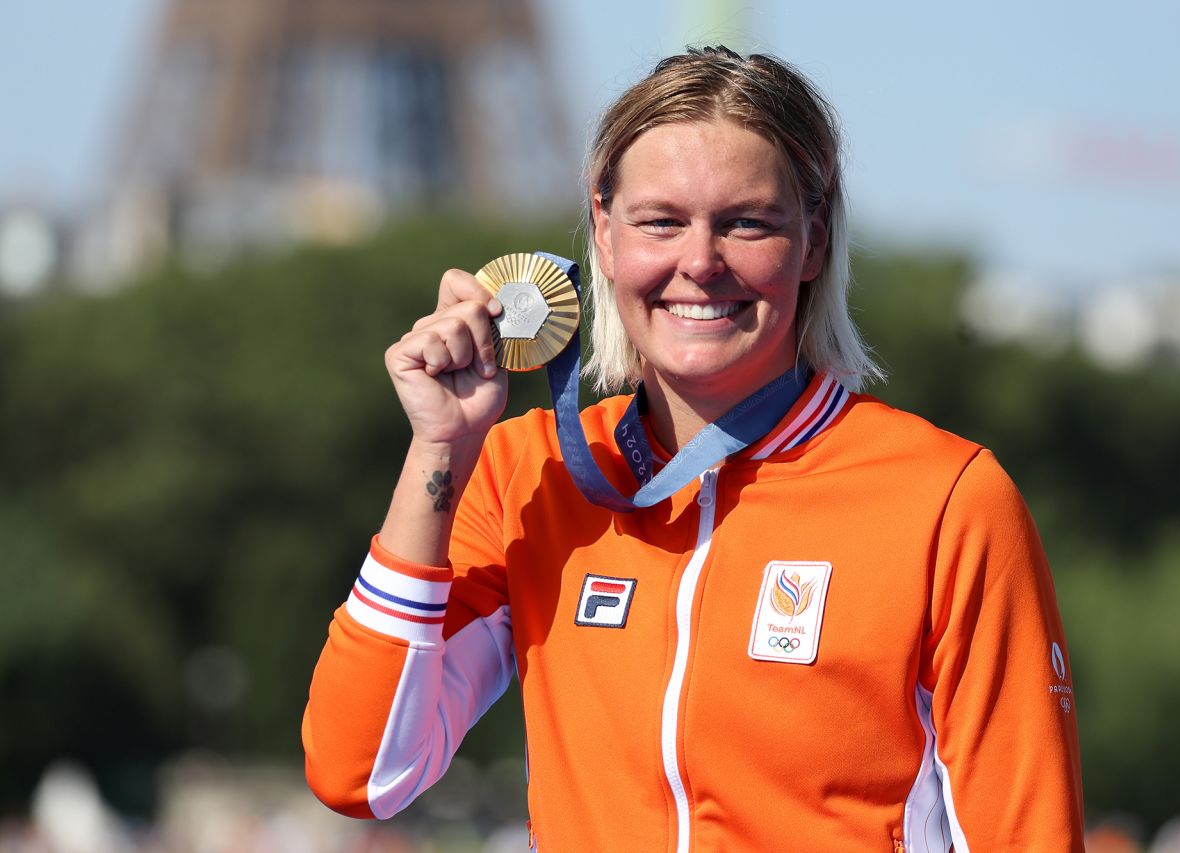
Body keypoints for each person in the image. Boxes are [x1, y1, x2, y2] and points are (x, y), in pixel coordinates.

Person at [303, 47, 1085, 851]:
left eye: (747, 221)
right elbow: (360, 770)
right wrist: (439, 447)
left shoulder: (946, 498)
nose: (701, 263)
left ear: (813, 241)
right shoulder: (525, 474)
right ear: (603, 233)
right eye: (661, 221)